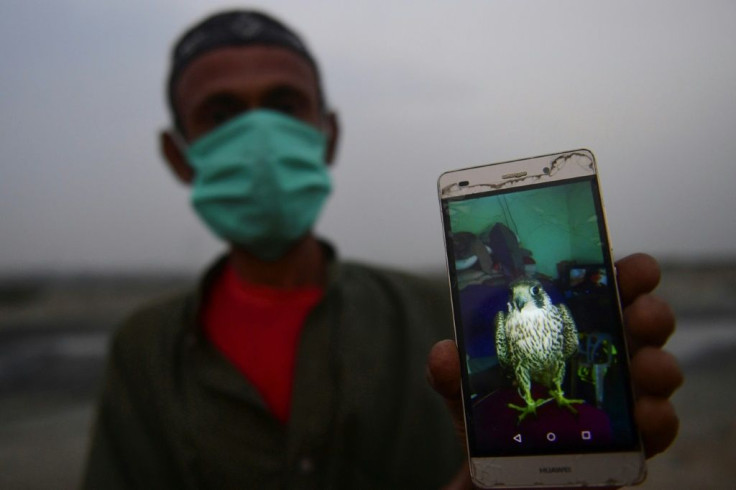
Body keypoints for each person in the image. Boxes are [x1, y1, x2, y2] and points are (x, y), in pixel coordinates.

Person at [82, 9, 682, 489]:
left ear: (329, 133)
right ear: (177, 153)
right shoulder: (143, 352)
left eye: (285, 106)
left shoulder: (443, 316)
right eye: (221, 112)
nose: (259, 139)